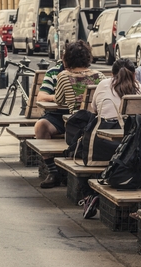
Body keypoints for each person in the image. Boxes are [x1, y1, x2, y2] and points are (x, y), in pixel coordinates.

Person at [39, 41, 105, 188]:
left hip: (76, 126)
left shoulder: (63, 76)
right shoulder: (99, 76)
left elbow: (60, 99)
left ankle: (56, 172)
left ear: (67, 58)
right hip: (96, 124)